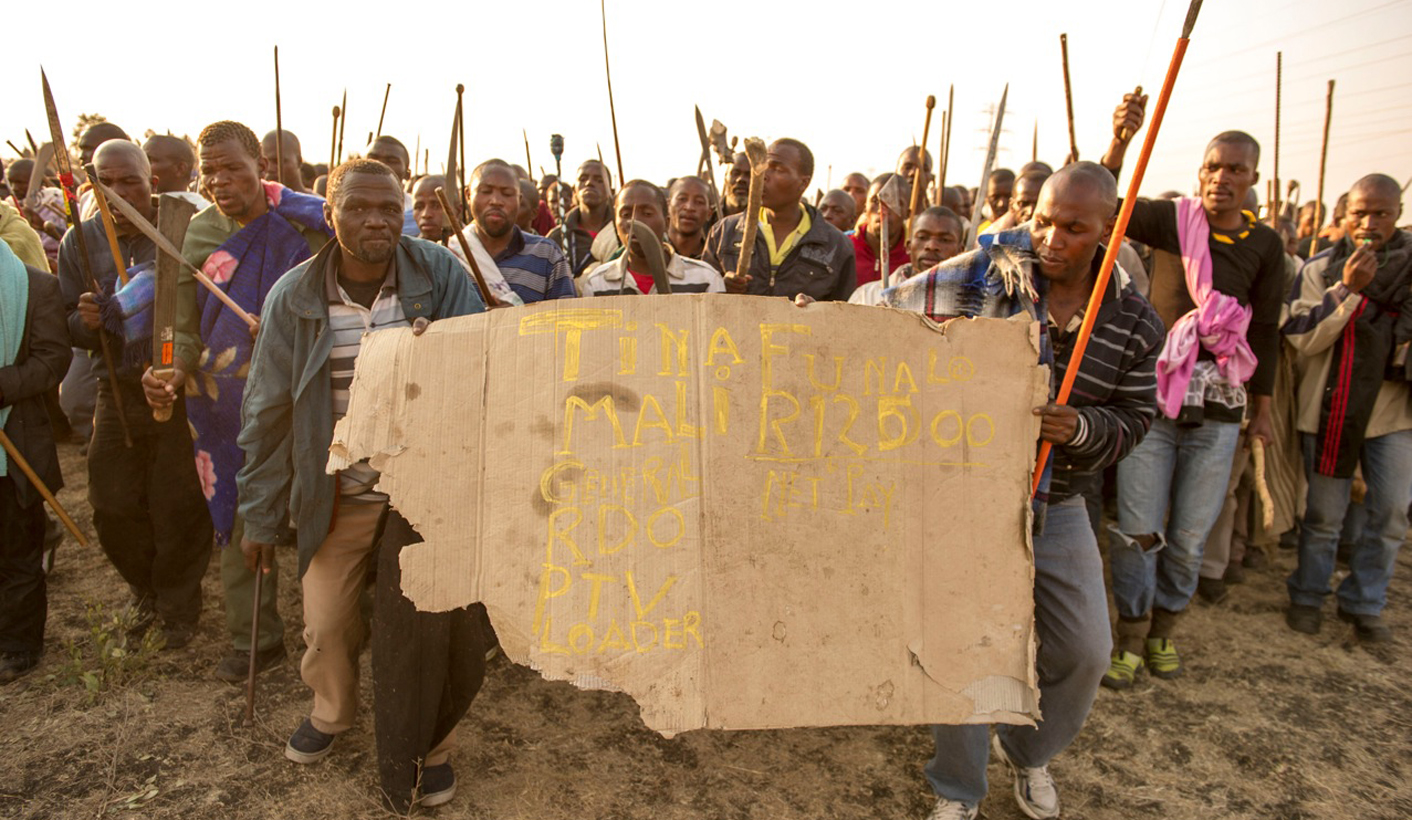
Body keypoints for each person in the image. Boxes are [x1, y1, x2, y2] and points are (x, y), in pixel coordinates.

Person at [885, 163, 1163, 820]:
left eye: (1074, 227)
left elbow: (1137, 418)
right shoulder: (992, 272)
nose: (1052, 237)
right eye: (1042, 219)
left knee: (1085, 652)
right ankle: (957, 789)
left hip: (1059, 503)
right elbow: (893, 305)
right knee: (963, 647)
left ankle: (1028, 750)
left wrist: (1084, 427)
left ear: (1108, 229)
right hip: (969, 496)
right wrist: (836, 315)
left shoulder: (1134, 319)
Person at [235, 158, 488, 810]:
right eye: (358, 207)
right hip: (339, 493)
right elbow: (265, 414)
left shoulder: (438, 274)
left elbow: (479, 374)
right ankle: (332, 711)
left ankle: (430, 745)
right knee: (327, 624)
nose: (376, 219)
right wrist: (260, 519)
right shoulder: (295, 296)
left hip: (423, 492)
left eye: (388, 207)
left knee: (431, 630)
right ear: (329, 214)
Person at [1098, 96, 1286, 688]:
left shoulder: (1265, 245)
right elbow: (1107, 203)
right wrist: (1122, 141)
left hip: (1221, 413)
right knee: (1135, 532)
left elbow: (1265, 328)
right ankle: (1130, 634)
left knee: (1187, 539)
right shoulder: (1173, 223)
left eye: (1235, 169)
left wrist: (1263, 412)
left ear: (1254, 177)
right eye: (1212, 167)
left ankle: (1163, 633)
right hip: (1151, 404)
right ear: (1200, 172)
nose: (1221, 179)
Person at [142, 119, 332, 682]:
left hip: (307, 388)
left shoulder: (311, 221)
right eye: (211, 171)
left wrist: (288, 327)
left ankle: (344, 626)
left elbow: (340, 301)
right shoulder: (193, 234)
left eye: (233, 168)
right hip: (225, 401)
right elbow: (179, 328)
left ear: (262, 169)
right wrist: (170, 369)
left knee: (324, 508)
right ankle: (256, 638)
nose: (221, 181)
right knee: (243, 510)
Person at [59, 140, 214, 650]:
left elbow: (199, 312)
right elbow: (69, 326)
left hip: (179, 383)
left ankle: (177, 603)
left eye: (131, 181)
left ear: (153, 181)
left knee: (177, 501)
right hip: (117, 387)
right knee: (111, 501)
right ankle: (144, 590)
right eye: (106, 183)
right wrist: (87, 322)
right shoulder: (79, 243)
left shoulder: (180, 231)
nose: (119, 194)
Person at [1282, 174, 1410, 643]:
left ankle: (1364, 601)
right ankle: (1309, 595)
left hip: (1391, 413)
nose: (1369, 224)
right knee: (1323, 516)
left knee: (1392, 512)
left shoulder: (1411, 269)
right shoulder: (1320, 269)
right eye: (1360, 213)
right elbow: (1301, 337)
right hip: (1328, 410)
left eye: (1381, 214)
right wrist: (1350, 291)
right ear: (1345, 214)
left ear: (1397, 214)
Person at [0, 240, 71, 684]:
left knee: (16, 550)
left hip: (15, 446)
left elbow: (52, 360)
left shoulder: (35, 286)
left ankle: (17, 643)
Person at [703, 138, 855, 301]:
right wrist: (720, 287)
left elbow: (844, 316)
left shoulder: (836, 245)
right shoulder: (724, 232)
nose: (763, 175)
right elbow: (700, 302)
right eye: (763, 166)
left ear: (804, 183)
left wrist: (816, 311)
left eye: (777, 169)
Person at [450, 159, 572, 305]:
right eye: (486, 192)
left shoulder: (547, 254)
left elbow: (567, 318)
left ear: (519, 200)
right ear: (468, 195)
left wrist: (514, 318)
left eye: (507, 194)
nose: (495, 201)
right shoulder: (448, 256)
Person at [580, 180, 724, 295]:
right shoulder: (597, 283)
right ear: (615, 225)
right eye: (625, 215)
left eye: (647, 213)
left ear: (667, 223)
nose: (634, 222)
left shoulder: (706, 278)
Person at [848, 206, 963, 306]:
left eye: (945, 240)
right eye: (922, 237)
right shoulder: (867, 297)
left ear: (960, 251)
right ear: (908, 246)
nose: (932, 246)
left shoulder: (974, 304)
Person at [547, 159, 617, 276]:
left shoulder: (622, 233)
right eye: (583, 179)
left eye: (599, 180)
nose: (589, 183)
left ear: (611, 191)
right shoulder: (558, 236)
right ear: (575, 189)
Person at [4, 159, 65, 270]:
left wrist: (44, 226)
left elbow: (73, 239)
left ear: (38, 181)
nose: (14, 188)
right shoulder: (8, 208)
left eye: (20, 182)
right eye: (11, 182)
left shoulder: (58, 200)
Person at [851, 173, 911, 287]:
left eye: (894, 203)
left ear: (907, 213)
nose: (882, 210)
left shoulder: (912, 259)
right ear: (865, 206)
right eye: (876, 201)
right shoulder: (843, 248)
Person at [366, 136, 416, 236]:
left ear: (407, 174)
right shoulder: (342, 206)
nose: (379, 165)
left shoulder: (416, 211)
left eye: (391, 161)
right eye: (372, 158)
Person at [142, 135, 209, 209]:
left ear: (180, 169)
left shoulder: (202, 212)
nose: (139, 165)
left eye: (149, 160)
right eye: (140, 159)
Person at [666, 176, 712, 259]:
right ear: (668, 206)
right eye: (682, 199)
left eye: (699, 202)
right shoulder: (651, 251)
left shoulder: (714, 259)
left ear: (709, 213)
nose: (689, 207)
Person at [411, 174, 451, 243]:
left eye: (436, 206)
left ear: (458, 210)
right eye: (419, 207)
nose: (426, 214)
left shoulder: (472, 246)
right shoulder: (407, 250)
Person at [722, 152, 753, 217]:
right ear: (725, 178)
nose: (741, 179)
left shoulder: (766, 219)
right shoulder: (707, 216)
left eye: (749, 175)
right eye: (736, 173)